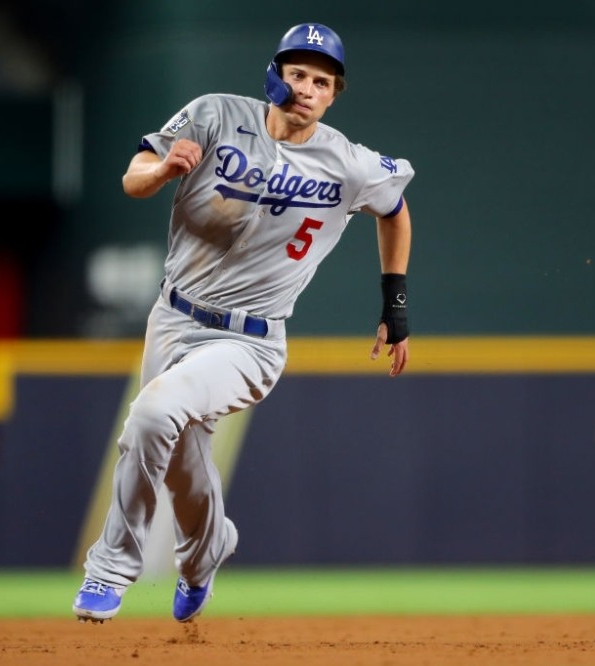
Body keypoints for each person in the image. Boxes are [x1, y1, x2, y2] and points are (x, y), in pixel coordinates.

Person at [72, 22, 414, 623]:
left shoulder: (349, 163)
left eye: (323, 81)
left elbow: (395, 209)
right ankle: (207, 552)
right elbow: (133, 178)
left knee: (154, 413)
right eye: (299, 73)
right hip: (173, 318)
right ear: (275, 75)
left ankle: (110, 567)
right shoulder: (213, 114)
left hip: (250, 342)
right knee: (182, 463)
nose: (308, 87)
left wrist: (396, 304)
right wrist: (162, 174)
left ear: (335, 94)